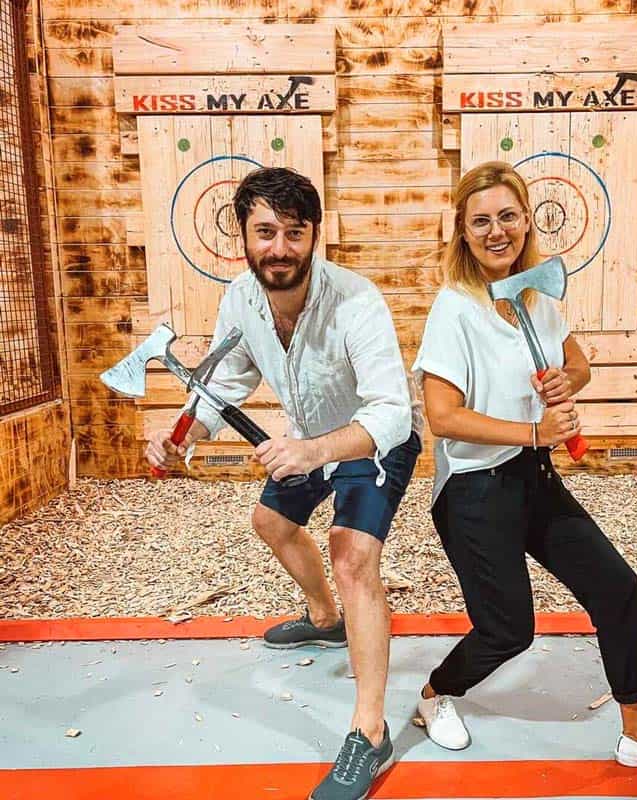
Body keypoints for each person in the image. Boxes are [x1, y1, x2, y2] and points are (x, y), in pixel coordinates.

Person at [410, 161, 637, 772]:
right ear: (463, 233)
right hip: (473, 489)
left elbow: (576, 363)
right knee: (508, 631)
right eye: (481, 221)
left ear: (526, 221)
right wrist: (534, 428)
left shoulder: (538, 296)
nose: (496, 231)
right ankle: (434, 695)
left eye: (507, 216)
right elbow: (442, 417)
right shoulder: (455, 309)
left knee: (615, 587)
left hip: (534, 478)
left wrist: (563, 380)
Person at [145, 167, 421, 800]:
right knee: (270, 521)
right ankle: (325, 619)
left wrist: (315, 449)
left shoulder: (356, 299)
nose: (279, 247)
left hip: (372, 441)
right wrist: (185, 432)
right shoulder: (241, 299)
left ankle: (369, 730)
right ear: (243, 236)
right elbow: (228, 379)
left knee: (352, 559)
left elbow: (390, 412)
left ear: (314, 236)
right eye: (265, 232)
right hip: (309, 444)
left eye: (294, 233)